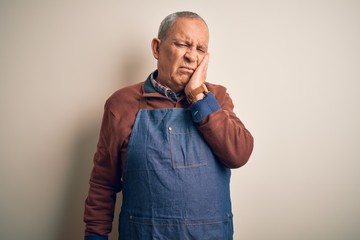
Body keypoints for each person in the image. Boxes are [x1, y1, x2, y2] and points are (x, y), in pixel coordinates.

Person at [84, 11, 254, 240]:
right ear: (157, 48)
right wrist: (95, 236)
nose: (192, 56)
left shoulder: (217, 98)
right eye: (183, 44)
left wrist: (198, 97)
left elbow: (239, 154)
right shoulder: (121, 104)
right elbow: (103, 183)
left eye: (200, 49)